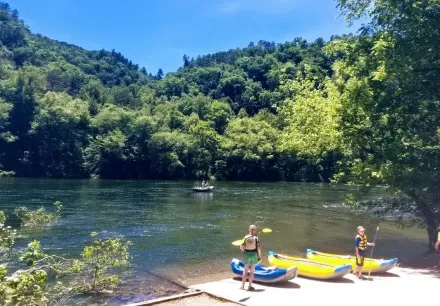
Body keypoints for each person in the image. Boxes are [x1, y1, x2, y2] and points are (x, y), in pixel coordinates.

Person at [240, 224, 262, 291]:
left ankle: (242, 286)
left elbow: (241, 247)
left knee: (245, 270)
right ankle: (249, 286)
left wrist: (245, 251)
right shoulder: (256, 238)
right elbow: (258, 249)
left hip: (247, 254)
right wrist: (260, 257)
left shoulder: (245, 238)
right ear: (255, 230)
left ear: (249, 230)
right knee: (252, 272)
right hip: (254, 255)